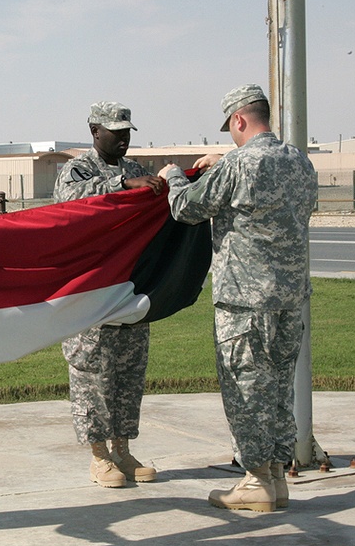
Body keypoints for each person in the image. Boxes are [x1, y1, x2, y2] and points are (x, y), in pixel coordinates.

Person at [158, 84, 318, 512]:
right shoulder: (299, 161)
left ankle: (255, 480)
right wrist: (226, 161)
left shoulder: (240, 165)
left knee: (245, 388)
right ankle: (277, 478)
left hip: (244, 302)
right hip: (288, 300)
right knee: (279, 389)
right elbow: (274, 187)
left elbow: (187, 207)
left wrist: (173, 174)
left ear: (239, 120)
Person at [52, 101, 165, 489]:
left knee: (128, 373)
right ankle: (99, 456)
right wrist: (119, 185)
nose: (123, 138)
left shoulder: (136, 170)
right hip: (91, 292)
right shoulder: (77, 169)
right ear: (94, 131)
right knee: (92, 374)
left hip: (130, 290)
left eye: (127, 131)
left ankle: (123, 449)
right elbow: (71, 203)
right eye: (115, 131)